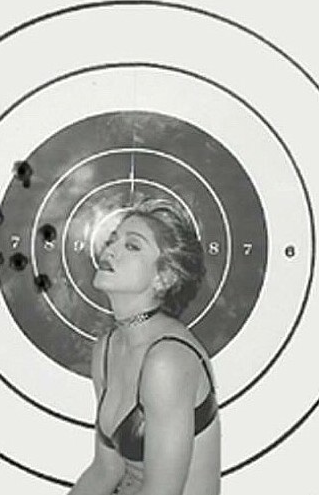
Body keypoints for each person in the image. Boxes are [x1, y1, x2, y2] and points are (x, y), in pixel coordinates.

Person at [70, 197, 221, 495]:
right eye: (113, 240)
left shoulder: (168, 360)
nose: (110, 250)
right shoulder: (107, 348)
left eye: (132, 246)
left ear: (164, 278)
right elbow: (106, 469)